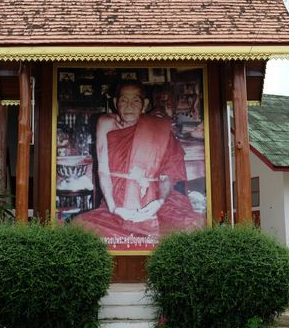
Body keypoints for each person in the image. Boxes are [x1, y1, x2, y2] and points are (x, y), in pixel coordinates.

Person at [73, 80, 204, 248]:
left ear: (145, 104)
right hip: (116, 204)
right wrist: (113, 208)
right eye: (123, 100)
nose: (129, 106)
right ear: (115, 103)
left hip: (155, 203)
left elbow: (168, 176)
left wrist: (159, 202)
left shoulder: (158, 129)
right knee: (79, 227)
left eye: (135, 100)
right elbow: (103, 171)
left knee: (193, 227)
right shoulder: (106, 123)